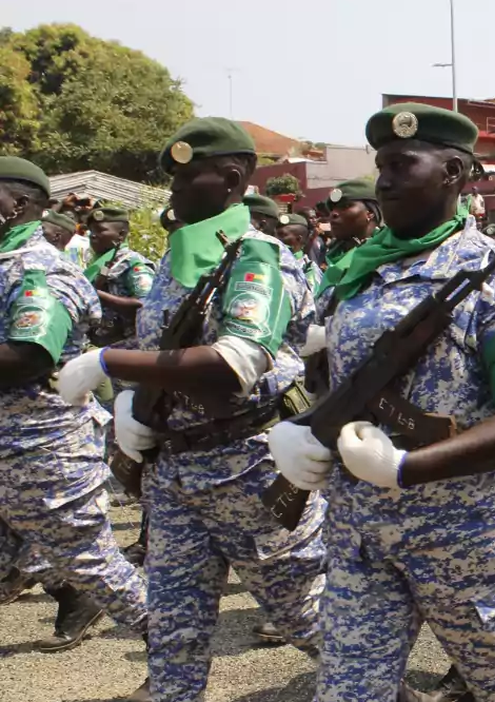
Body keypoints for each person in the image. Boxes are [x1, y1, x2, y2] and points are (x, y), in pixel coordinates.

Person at [269, 103, 495, 702]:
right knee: (348, 691)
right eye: (382, 164)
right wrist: (305, 429)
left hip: (468, 537)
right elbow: (344, 381)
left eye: (404, 163)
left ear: (455, 172)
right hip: (360, 533)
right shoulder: (357, 271)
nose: (385, 179)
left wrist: (406, 468)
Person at [54, 118, 325, 702]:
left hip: (245, 468)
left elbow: (236, 361)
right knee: (174, 629)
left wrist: (109, 363)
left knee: (311, 618)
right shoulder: (185, 258)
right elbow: (163, 349)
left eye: (182, 175)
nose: (170, 188)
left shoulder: (256, 257)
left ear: (231, 177)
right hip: (174, 471)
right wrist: (133, 402)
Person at [0, 158, 150, 688]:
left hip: (38, 450)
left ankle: (171, 641)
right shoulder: (6, 260)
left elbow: (29, 355)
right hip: (11, 447)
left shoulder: (35, 268)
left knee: (96, 567)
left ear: (17, 203)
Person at [83, 206, 156, 349]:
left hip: (125, 346)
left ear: (121, 235)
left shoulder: (133, 263)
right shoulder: (99, 263)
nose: (93, 235)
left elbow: (144, 304)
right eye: (91, 231)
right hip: (97, 342)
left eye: (100, 230)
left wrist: (96, 294)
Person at [324, 178, 380, 270]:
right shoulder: (333, 254)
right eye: (332, 209)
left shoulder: (388, 252)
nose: (333, 214)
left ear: (370, 213)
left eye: (345, 206)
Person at [276, 212, 321, 292]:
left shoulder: (308, 270)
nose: (275, 238)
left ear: (298, 239)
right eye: (274, 234)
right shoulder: (270, 261)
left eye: (281, 235)